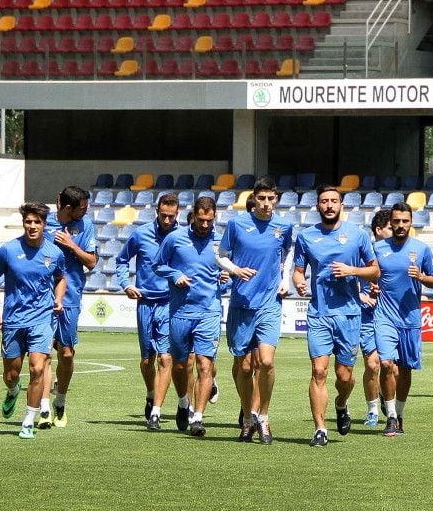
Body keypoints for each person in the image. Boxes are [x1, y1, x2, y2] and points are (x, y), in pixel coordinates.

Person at [292, 186, 379, 447]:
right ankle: (320, 429)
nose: (329, 205)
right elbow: (298, 270)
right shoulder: (306, 237)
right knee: (319, 371)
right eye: (323, 201)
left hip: (350, 315)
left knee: (344, 376)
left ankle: (341, 404)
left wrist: (352, 270)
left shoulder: (357, 235)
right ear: (317, 206)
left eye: (333, 201)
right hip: (319, 314)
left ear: (342, 204)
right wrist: (299, 282)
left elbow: (374, 272)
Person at [217, 177, 294, 444]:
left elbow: (287, 256)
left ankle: (264, 416)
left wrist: (285, 281)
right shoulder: (237, 224)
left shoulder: (284, 227)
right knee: (244, 365)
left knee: (267, 361)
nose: (266, 203)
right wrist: (235, 270)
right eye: (261, 198)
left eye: (271, 199)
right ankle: (247, 418)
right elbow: (221, 255)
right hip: (241, 303)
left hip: (270, 303)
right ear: (254, 199)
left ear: (276, 199)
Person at [0, 202, 66, 439]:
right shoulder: (8, 250)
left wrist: (59, 299)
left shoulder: (54, 253)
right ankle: (13, 391)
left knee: (37, 367)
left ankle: (29, 421)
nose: (32, 226)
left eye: (37, 222)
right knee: (11, 374)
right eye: (28, 222)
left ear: (44, 224)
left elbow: (61, 278)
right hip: (13, 319)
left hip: (42, 318)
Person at [155, 196, 223, 437]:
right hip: (181, 311)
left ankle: (198, 417)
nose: (205, 225)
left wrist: (225, 277)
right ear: (193, 215)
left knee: (205, 364)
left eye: (210, 220)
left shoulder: (220, 241)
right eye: (201, 219)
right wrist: (174, 274)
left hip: (209, 311)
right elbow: (158, 265)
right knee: (181, 364)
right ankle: (184, 402)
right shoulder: (175, 239)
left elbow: (228, 267)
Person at [372, 202, 433, 437]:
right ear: (390, 222)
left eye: (405, 221)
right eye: (396, 221)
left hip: (410, 318)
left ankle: (399, 414)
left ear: (411, 222)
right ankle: (390, 416)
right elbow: (368, 276)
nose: (400, 225)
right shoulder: (378, 249)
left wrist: (421, 276)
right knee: (386, 363)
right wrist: (370, 288)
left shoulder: (421, 250)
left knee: (405, 369)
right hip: (384, 316)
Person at [116, 193, 179, 430]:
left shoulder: (182, 237)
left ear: (177, 214)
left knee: (165, 358)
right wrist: (126, 284)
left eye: (171, 216)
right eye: (163, 215)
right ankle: (151, 393)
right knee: (146, 361)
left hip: (169, 303)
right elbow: (121, 260)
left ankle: (156, 412)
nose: (166, 220)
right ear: (157, 212)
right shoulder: (140, 234)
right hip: (144, 302)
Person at [41, 186, 97, 428]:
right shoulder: (43, 224)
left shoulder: (86, 226)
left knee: (66, 353)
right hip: (42, 298)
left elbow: (92, 262)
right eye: (82, 208)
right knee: (43, 353)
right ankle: (42, 405)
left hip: (71, 296)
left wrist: (72, 245)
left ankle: (60, 401)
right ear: (67, 208)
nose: (86, 211)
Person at [359, 209, 393, 428]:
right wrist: (361, 295)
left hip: (390, 316)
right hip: (366, 315)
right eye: (391, 227)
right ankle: (372, 410)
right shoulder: (364, 252)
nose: (396, 230)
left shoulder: (400, 252)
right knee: (372, 365)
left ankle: (390, 404)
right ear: (378, 230)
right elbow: (349, 277)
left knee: (389, 366)